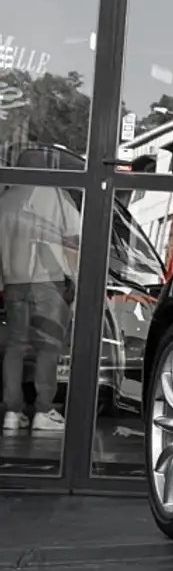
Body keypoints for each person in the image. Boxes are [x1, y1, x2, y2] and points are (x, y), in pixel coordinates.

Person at [0, 149, 82, 435]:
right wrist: (75, 277)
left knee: (15, 346)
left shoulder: (5, 200)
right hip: (50, 280)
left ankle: (12, 412)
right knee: (48, 345)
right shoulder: (58, 197)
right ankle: (44, 411)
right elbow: (73, 241)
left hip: (13, 283)